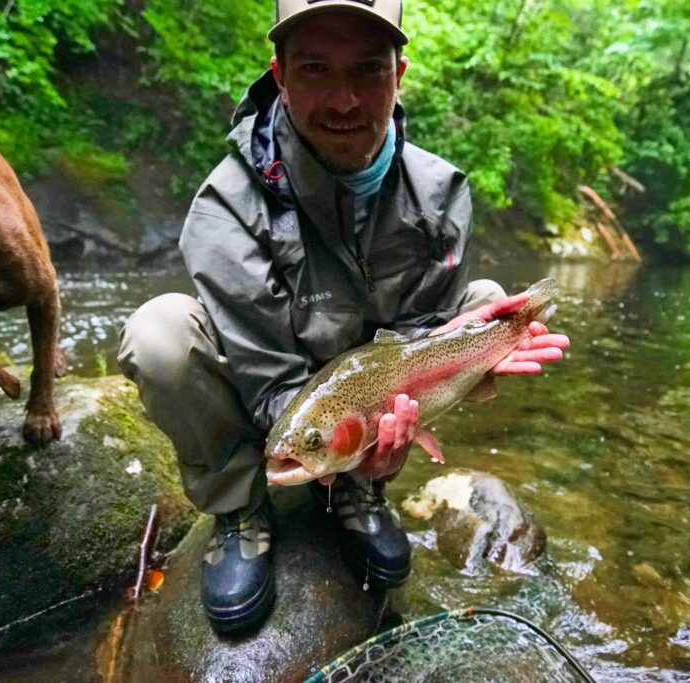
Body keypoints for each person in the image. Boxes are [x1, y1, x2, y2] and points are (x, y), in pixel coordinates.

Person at [118, 0, 570, 634]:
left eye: (366, 71)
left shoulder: (440, 194)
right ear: (279, 75)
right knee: (160, 334)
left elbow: (422, 333)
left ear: (399, 74)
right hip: (277, 392)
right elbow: (270, 381)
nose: (344, 101)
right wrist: (329, 441)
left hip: (373, 383)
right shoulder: (228, 204)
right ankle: (240, 507)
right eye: (315, 70)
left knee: (487, 300)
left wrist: (466, 355)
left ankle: (361, 490)